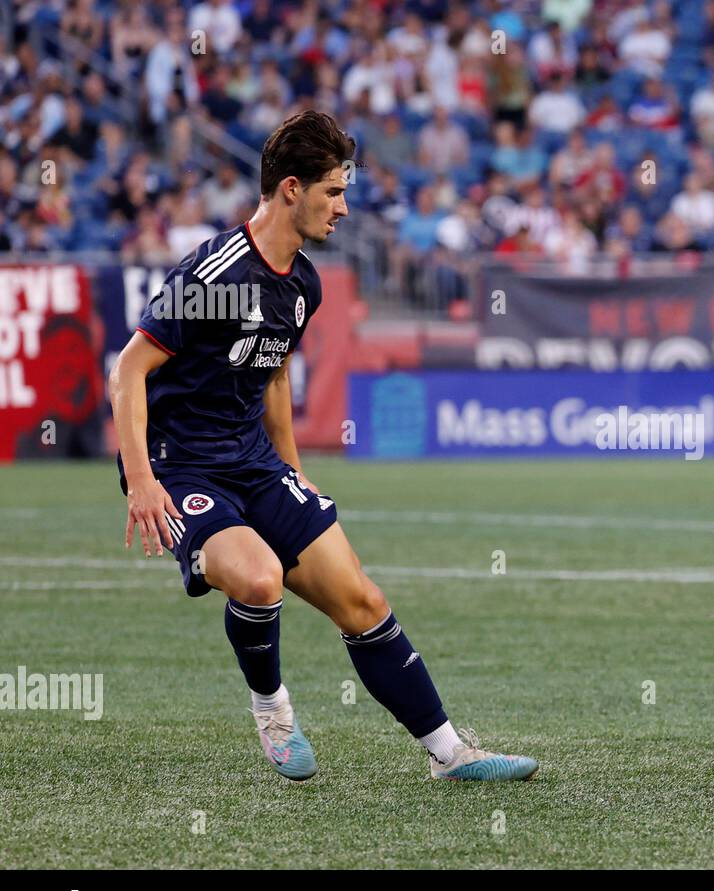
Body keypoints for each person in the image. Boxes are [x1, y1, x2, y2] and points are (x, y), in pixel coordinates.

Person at [108, 111, 538, 783]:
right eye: (333, 192)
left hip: (254, 461)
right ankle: (273, 710)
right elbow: (129, 369)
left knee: (361, 601)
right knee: (257, 578)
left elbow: (272, 373)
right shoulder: (217, 274)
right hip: (179, 464)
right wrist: (140, 479)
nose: (343, 207)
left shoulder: (303, 283)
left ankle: (451, 755)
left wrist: (293, 479)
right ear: (289, 189)